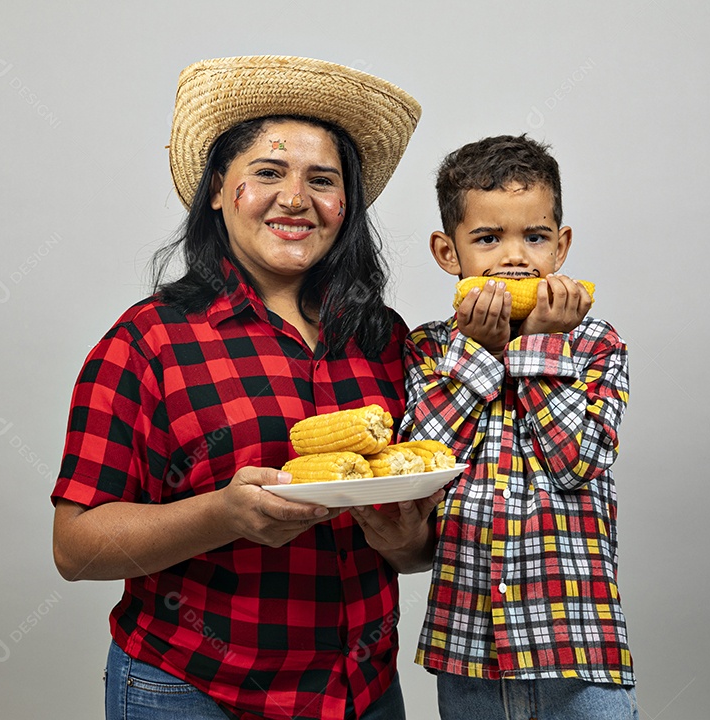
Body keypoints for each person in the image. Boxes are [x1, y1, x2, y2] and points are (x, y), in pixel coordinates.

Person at [51, 55, 437, 720]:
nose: (295, 199)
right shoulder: (147, 343)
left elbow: (413, 551)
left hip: (360, 694)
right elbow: (77, 546)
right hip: (195, 691)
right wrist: (222, 516)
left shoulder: (386, 340)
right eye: (268, 173)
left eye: (322, 179)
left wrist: (401, 538)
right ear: (218, 190)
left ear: (346, 205)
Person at [401, 135, 638, 719]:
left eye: (534, 237)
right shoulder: (429, 350)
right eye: (487, 238)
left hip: (576, 644)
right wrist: (477, 355)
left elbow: (576, 462)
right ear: (446, 252)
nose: (514, 257)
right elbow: (425, 462)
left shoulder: (597, 346)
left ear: (561, 248)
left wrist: (538, 350)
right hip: (468, 652)